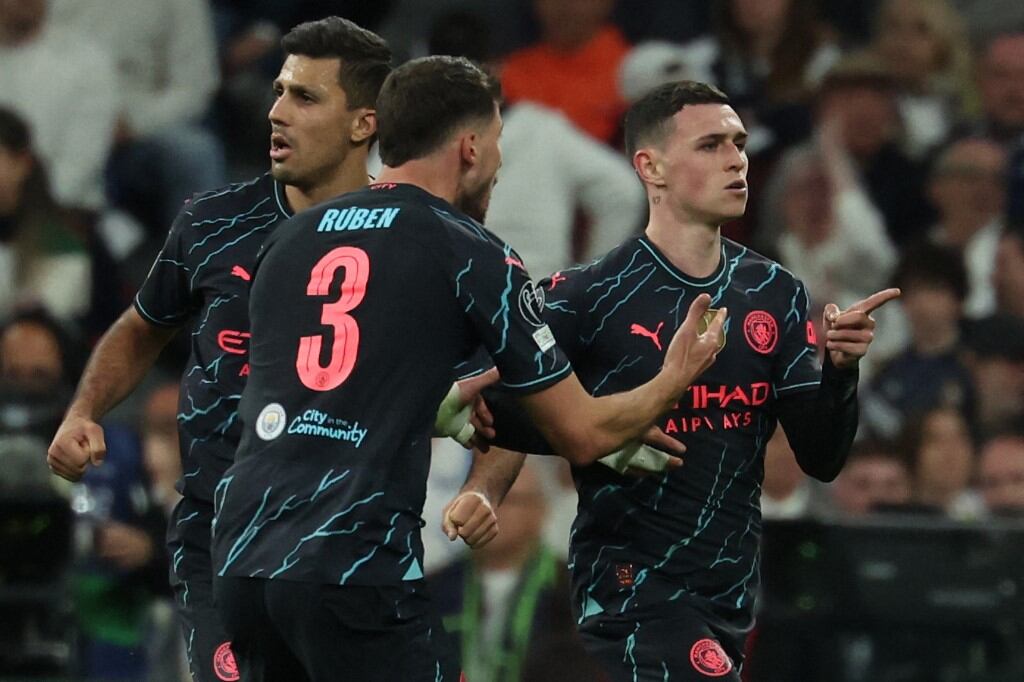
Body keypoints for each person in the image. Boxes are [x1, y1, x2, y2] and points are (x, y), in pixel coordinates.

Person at [210, 57, 724, 682]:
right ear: (471, 147)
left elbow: (312, 394)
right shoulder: (469, 250)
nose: (500, 165)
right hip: (351, 564)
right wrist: (672, 378)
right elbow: (581, 433)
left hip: (242, 558)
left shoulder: (289, 238)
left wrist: (440, 408)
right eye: (499, 143)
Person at [460, 80, 897, 680]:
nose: (736, 159)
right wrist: (506, 481)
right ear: (651, 167)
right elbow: (499, 404)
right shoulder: (588, 295)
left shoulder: (776, 293)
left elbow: (821, 457)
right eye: (711, 144)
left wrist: (842, 374)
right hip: (629, 586)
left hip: (730, 591)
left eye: (739, 143)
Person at [46, 16, 393, 682]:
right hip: (220, 531)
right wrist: (83, 409)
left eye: (305, 97)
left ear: (363, 124)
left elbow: (488, 374)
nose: (276, 112)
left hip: (351, 540)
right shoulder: (213, 220)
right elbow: (142, 326)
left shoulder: (408, 238)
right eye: (279, 92)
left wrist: (485, 487)